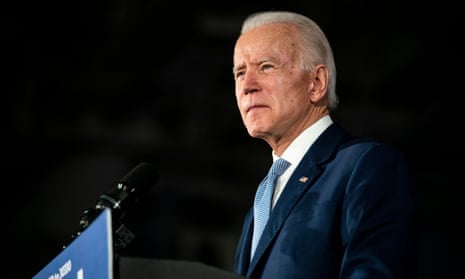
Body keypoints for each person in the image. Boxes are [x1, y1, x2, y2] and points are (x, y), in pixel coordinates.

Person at [231, 10, 419, 279]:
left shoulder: (366, 164)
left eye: (266, 67)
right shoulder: (262, 198)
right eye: (239, 72)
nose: (247, 85)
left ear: (316, 83)